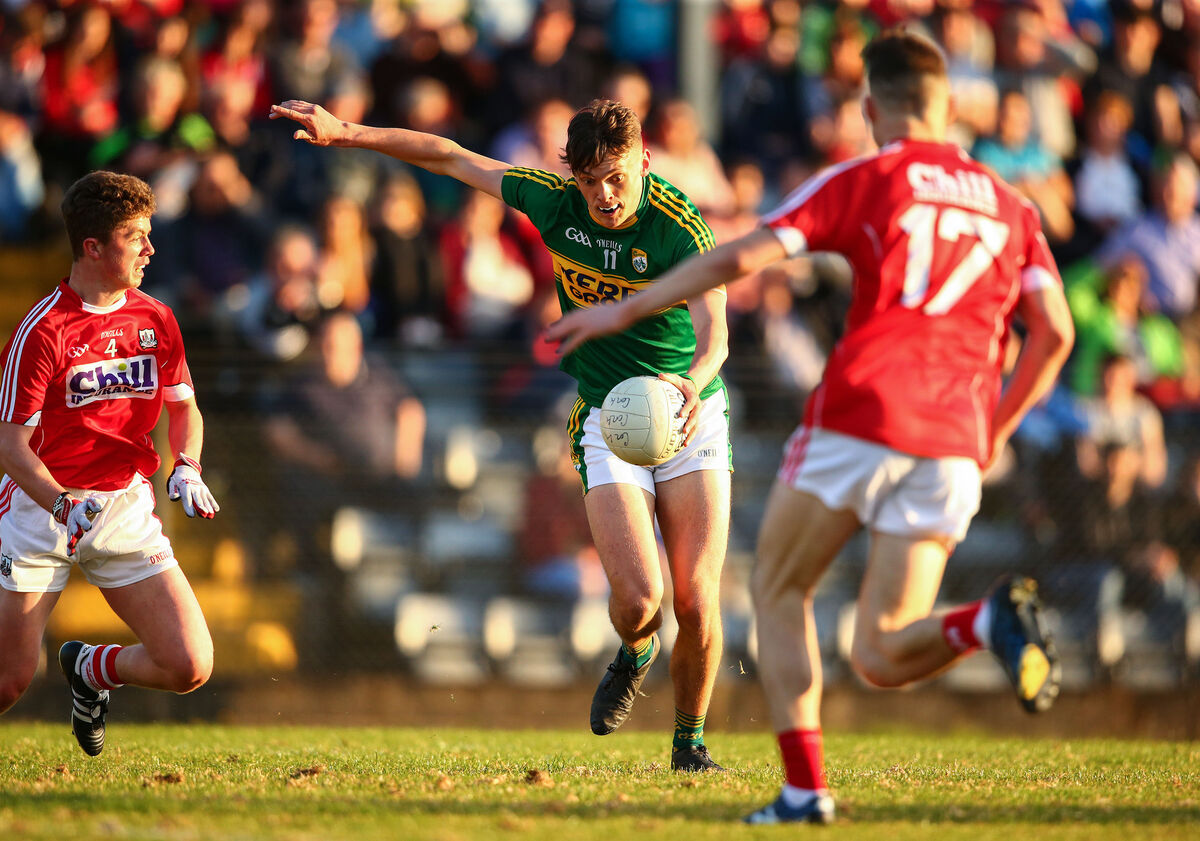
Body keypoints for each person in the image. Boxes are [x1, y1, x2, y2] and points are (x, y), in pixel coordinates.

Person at [546, 30, 1075, 823]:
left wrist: (629, 304)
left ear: (871, 109)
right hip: (958, 436)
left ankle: (803, 791)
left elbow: (745, 256)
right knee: (883, 648)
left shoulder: (866, 177)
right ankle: (985, 619)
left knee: (776, 587)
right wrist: (997, 430)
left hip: (864, 408)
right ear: (952, 106)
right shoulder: (1014, 204)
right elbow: (1056, 333)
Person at [270, 95, 733, 773]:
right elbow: (451, 156)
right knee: (641, 600)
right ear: (570, 173)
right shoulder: (553, 203)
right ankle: (636, 648)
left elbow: (718, 327)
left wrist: (694, 380)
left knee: (695, 598)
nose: (604, 196)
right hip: (609, 413)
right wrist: (349, 134)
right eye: (589, 180)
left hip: (689, 412)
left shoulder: (678, 224)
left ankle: (689, 744)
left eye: (618, 177)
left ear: (645, 161)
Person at [0, 171, 220, 756]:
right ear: (92, 247)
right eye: (136, 236)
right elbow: (10, 446)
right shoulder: (42, 330)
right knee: (10, 682)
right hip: (41, 509)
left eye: (150, 234)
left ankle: (92, 669)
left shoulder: (157, 319)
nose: (151, 248)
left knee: (191, 665)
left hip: (122, 506)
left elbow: (185, 409)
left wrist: (188, 466)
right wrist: (60, 503)